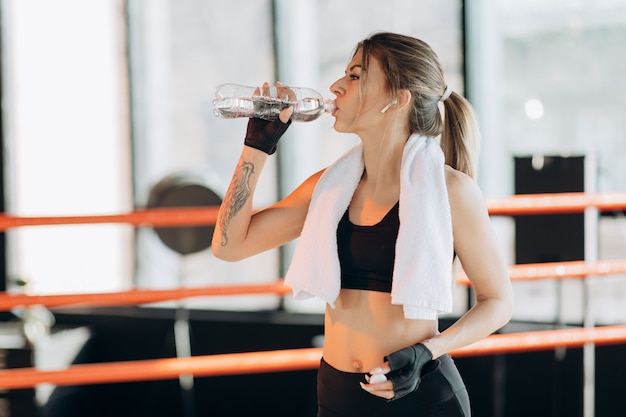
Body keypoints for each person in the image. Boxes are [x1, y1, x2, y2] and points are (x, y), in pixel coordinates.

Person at [212, 32, 513, 417]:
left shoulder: (451, 190)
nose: (336, 86)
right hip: (338, 397)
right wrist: (256, 147)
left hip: (419, 395)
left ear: (397, 98)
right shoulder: (329, 188)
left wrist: (429, 351)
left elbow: (499, 302)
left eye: (355, 76)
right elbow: (228, 246)